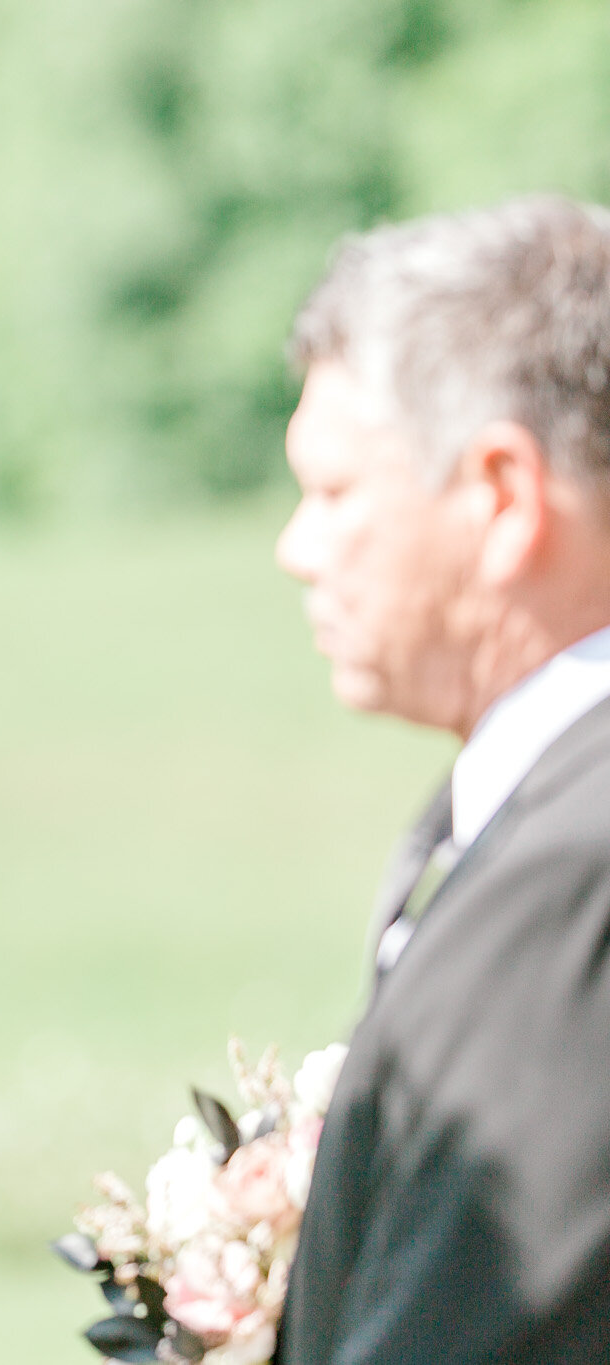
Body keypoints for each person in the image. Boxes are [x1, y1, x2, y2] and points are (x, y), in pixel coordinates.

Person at [277, 195, 610, 1363]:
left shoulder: (574, 867)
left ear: (502, 497)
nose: (294, 549)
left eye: (331, 494)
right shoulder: (535, 795)